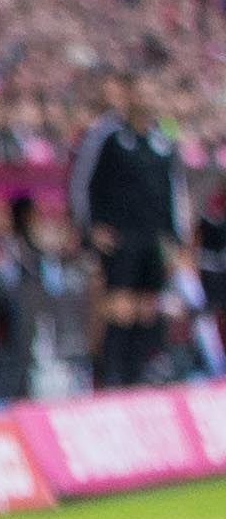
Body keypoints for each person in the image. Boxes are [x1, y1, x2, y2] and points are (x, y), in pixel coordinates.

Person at [72, 77, 186, 389]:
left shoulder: (164, 140)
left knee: (148, 307)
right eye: (142, 92)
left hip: (154, 238)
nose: (147, 99)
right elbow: (83, 182)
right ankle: (111, 377)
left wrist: (176, 237)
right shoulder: (107, 135)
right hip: (118, 236)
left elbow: (174, 191)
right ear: (129, 96)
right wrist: (89, 227)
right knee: (118, 306)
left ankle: (139, 375)